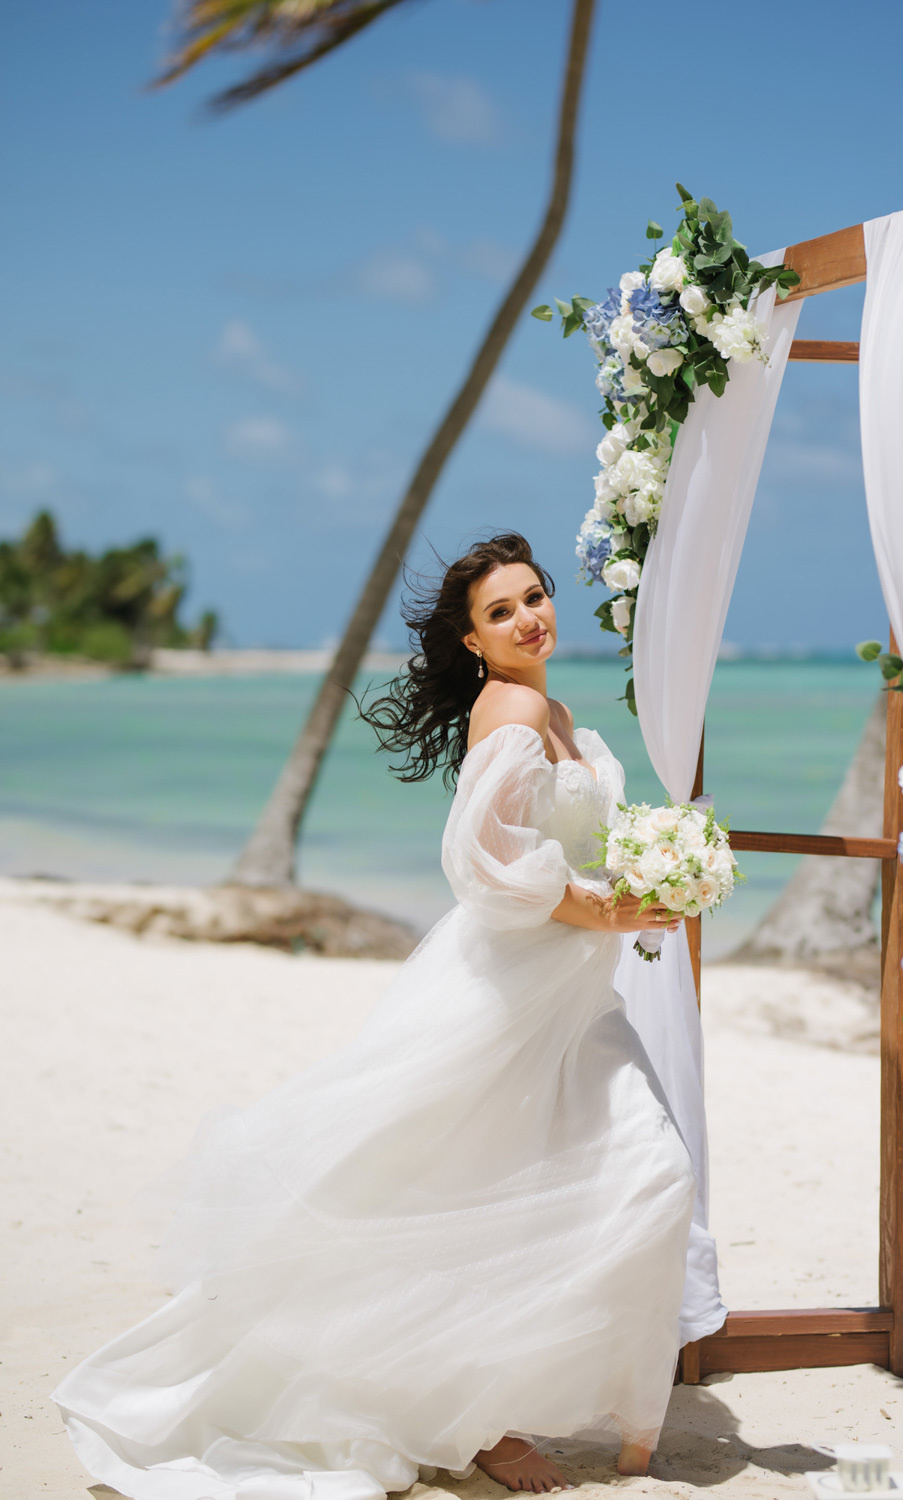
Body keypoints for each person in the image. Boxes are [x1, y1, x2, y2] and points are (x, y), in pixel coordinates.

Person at [54, 531, 697, 1500]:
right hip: (506, 994)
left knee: (619, 1173)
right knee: (493, 1192)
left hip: (568, 991)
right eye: (500, 612)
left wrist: (640, 878)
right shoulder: (514, 707)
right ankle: (490, 1419)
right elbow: (481, 865)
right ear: (474, 642)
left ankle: (610, 1417)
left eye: (534, 597)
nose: (528, 618)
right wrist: (599, 907)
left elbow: (552, 842)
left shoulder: (553, 707)